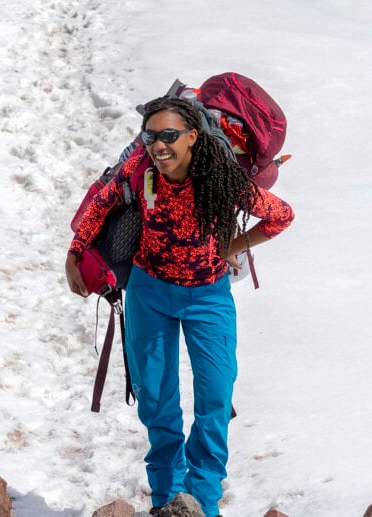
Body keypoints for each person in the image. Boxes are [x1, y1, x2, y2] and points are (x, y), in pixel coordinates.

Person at [65, 96, 294, 517]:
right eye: (150, 136)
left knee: (215, 400)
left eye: (169, 135)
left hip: (208, 299)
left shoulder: (221, 178)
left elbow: (281, 216)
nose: (158, 145)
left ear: (192, 136)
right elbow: (102, 201)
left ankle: (202, 501)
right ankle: (167, 499)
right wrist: (74, 252)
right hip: (149, 294)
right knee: (157, 402)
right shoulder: (140, 171)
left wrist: (232, 245)